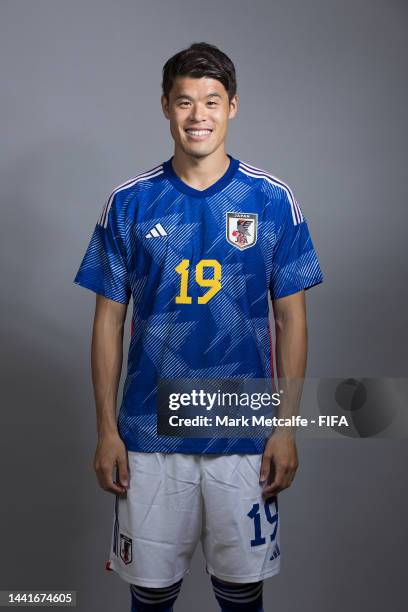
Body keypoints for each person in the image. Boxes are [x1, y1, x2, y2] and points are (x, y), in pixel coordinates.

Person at [74, 42, 323, 612]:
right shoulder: (129, 203)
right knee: (152, 594)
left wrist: (286, 429)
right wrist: (106, 430)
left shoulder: (272, 200)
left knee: (241, 593)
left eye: (211, 101)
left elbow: (293, 320)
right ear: (165, 106)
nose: (198, 115)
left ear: (233, 106)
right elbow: (107, 323)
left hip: (243, 434)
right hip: (148, 434)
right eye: (184, 102)